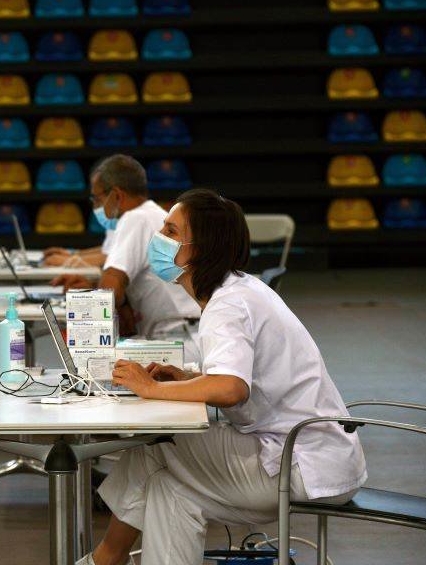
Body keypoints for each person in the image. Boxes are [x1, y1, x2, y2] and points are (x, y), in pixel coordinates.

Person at [84, 189, 366, 565]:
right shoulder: (239, 290)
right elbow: (236, 377)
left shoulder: (228, 304)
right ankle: (107, 559)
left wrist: (150, 387)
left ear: (200, 249)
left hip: (299, 465)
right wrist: (183, 378)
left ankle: (105, 559)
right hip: (313, 455)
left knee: (155, 444)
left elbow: (231, 388)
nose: (159, 238)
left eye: (170, 231)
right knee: (170, 492)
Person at [51, 155, 200, 344]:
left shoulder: (135, 218)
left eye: (97, 199)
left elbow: (111, 286)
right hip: (182, 332)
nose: (96, 206)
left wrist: (89, 298)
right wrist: (92, 288)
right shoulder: (149, 214)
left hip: (175, 338)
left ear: (117, 195)